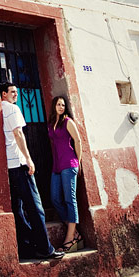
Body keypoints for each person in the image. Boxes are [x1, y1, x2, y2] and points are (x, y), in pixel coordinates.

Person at [0, 82, 65, 261]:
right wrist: (28, 159)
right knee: (36, 208)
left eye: (17, 92)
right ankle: (45, 249)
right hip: (19, 164)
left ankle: (28, 247)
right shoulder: (12, 109)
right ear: (3, 94)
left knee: (18, 209)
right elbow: (18, 134)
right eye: (12, 92)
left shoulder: (0, 109)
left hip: (9, 167)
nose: (16, 95)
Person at [48, 96, 84, 252]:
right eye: (58, 104)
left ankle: (70, 238)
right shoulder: (51, 123)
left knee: (70, 199)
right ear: (54, 106)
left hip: (69, 164)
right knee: (55, 198)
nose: (61, 107)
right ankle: (75, 233)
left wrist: (78, 162)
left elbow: (78, 140)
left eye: (63, 105)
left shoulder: (68, 122)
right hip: (57, 165)